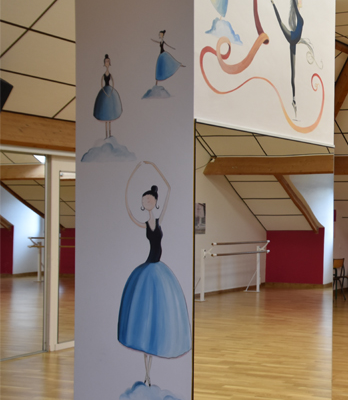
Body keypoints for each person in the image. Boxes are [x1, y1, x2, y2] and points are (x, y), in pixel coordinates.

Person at [119, 161, 191, 387]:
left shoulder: (159, 220)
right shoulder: (144, 223)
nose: (146, 203)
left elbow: (168, 189)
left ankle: (149, 374)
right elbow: (129, 211)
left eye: (149, 201)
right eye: (144, 202)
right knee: (145, 317)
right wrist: (131, 177)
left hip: (158, 268)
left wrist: (152, 167)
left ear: (155, 202)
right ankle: (147, 375)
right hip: (149, 268)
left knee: (158, 317)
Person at [271, 0, 303, 117]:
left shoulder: (300, 19)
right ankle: (273, 4)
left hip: (292, 41)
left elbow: (295, 6)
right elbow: (294, 5)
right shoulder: (300, 20)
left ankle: (294, 99)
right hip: (292, 38)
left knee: (293, 74)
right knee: (280, 22)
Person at [93, 54, 122, 139]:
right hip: (105, 91)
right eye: (106, 61)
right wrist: (104, 90)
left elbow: (113, 82)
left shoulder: (110, 74)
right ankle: (106, 135)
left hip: (110, 90)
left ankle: (109, 134)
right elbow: (102, 83)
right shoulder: (104, 74)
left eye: (108, 61)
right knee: (105, 113)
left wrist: (111, 90)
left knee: (110, 114)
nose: (107, 63)